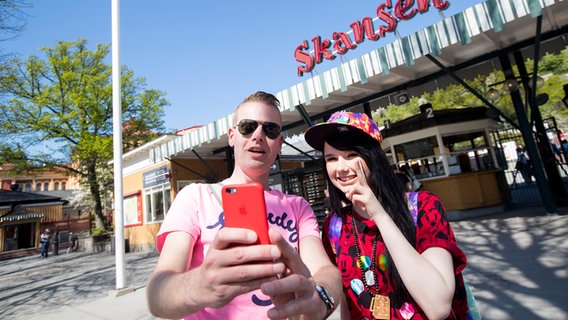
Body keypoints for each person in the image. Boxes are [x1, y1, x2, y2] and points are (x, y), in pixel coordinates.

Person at [146, 91, 342, 320]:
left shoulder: (298, 207)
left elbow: (327, 271)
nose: (258, 135)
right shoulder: (194, 197)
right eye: (248, 127)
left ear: (279, 144)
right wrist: (198, 286)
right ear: (232, 136)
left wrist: (320, 300)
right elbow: (157, 293)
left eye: (270, 129)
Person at [304, 111, 468, 319]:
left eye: (352, 155)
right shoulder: (334, 226)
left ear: (374, 157)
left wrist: (378, 214)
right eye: (331, 159)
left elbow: (438, 308)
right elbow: (346, 306)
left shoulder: (423, 207)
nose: (341, 168)